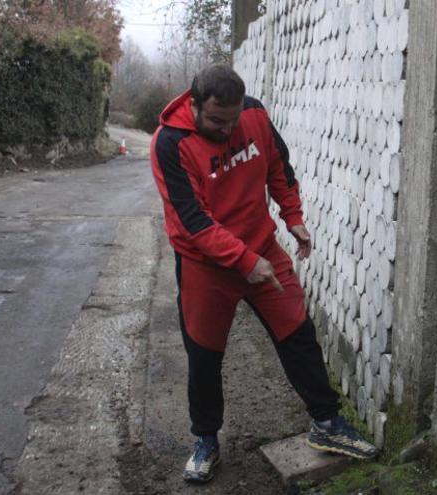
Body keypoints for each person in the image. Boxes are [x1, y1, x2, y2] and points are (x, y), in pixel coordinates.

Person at [149, 64, 378, 483]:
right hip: (206, 265)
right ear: (194, 104)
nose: (228, 128)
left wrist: (293, 218)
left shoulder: (254, 115)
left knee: (298, 331)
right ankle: (205, 440)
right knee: (204, 354)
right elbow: (191, 222)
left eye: (234, 119)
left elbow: (279, 169)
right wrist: (244, 261)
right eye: (218, 120)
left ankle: (327, 424)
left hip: (262, 247)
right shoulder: (171, 142)